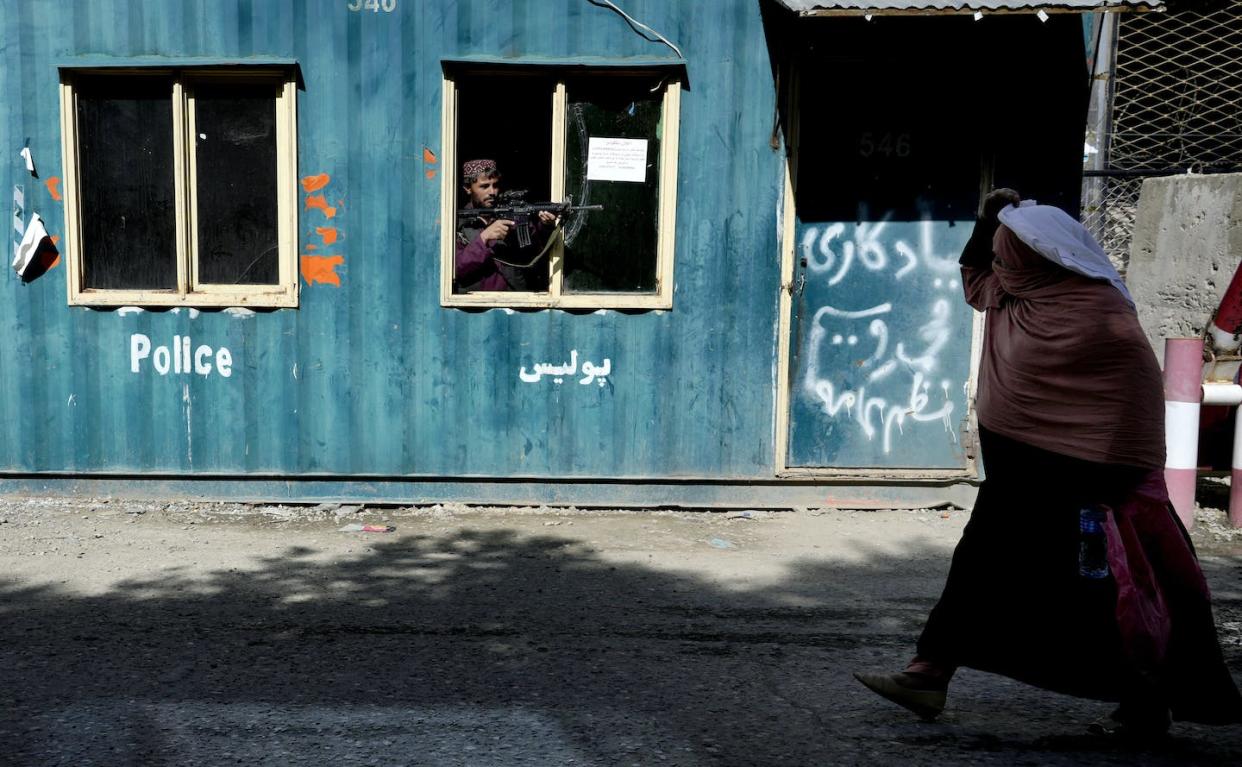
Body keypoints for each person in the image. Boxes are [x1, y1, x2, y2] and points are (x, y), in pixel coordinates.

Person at [854, 188, 1242, 738]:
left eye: (1007, 249)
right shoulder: (1019, 291)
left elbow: (1124, 406)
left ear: (1034, 257)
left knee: (1090, 588)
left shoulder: (1093, 308)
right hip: (1029, 469)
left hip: (1094, 478)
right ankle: (930, 672)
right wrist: (989, 218)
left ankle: (1140, 702)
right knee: (996, 567)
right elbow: (974, 274)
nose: (999, 259)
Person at [454, 159, 557, 292]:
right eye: (484, 186)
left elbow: (536, 251)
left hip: (515, 299)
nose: (492, 192)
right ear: (468, 189)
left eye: (495, 185)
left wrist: (545, 226)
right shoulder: (457, 222)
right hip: (475, 303)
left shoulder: (511, 214)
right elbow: (455, 268)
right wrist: (484, 238)